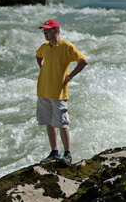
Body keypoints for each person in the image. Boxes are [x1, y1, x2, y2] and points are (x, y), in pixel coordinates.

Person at [36, 19, 88, 166]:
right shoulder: (45, 47)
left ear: (56, 30)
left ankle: (68, 154)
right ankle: (54, 152)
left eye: (48, 30)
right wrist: (43, 68)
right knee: (49, 123)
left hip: (59, 92)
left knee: (62, 124)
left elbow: (83, 61)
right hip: (43, 90)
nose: (45, 33)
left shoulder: (66, 46)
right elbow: (38, 55)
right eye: (44, 31)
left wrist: (70, 76)